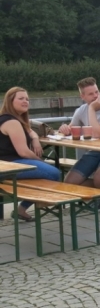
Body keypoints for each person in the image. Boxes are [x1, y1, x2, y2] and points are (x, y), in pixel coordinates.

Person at [0, 87, 61, 221]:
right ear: (10, 101)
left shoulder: (9, 119)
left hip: (6, 165)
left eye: (27, 99)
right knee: (54, 173)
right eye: (21, 98)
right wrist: (40, 161)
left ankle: (21, 210)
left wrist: (34, 139)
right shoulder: (12, 122)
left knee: (43, 173)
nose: (25, 101)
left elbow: (29, 130)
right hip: (10, 166)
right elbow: (24, 152)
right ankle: (38, 202)